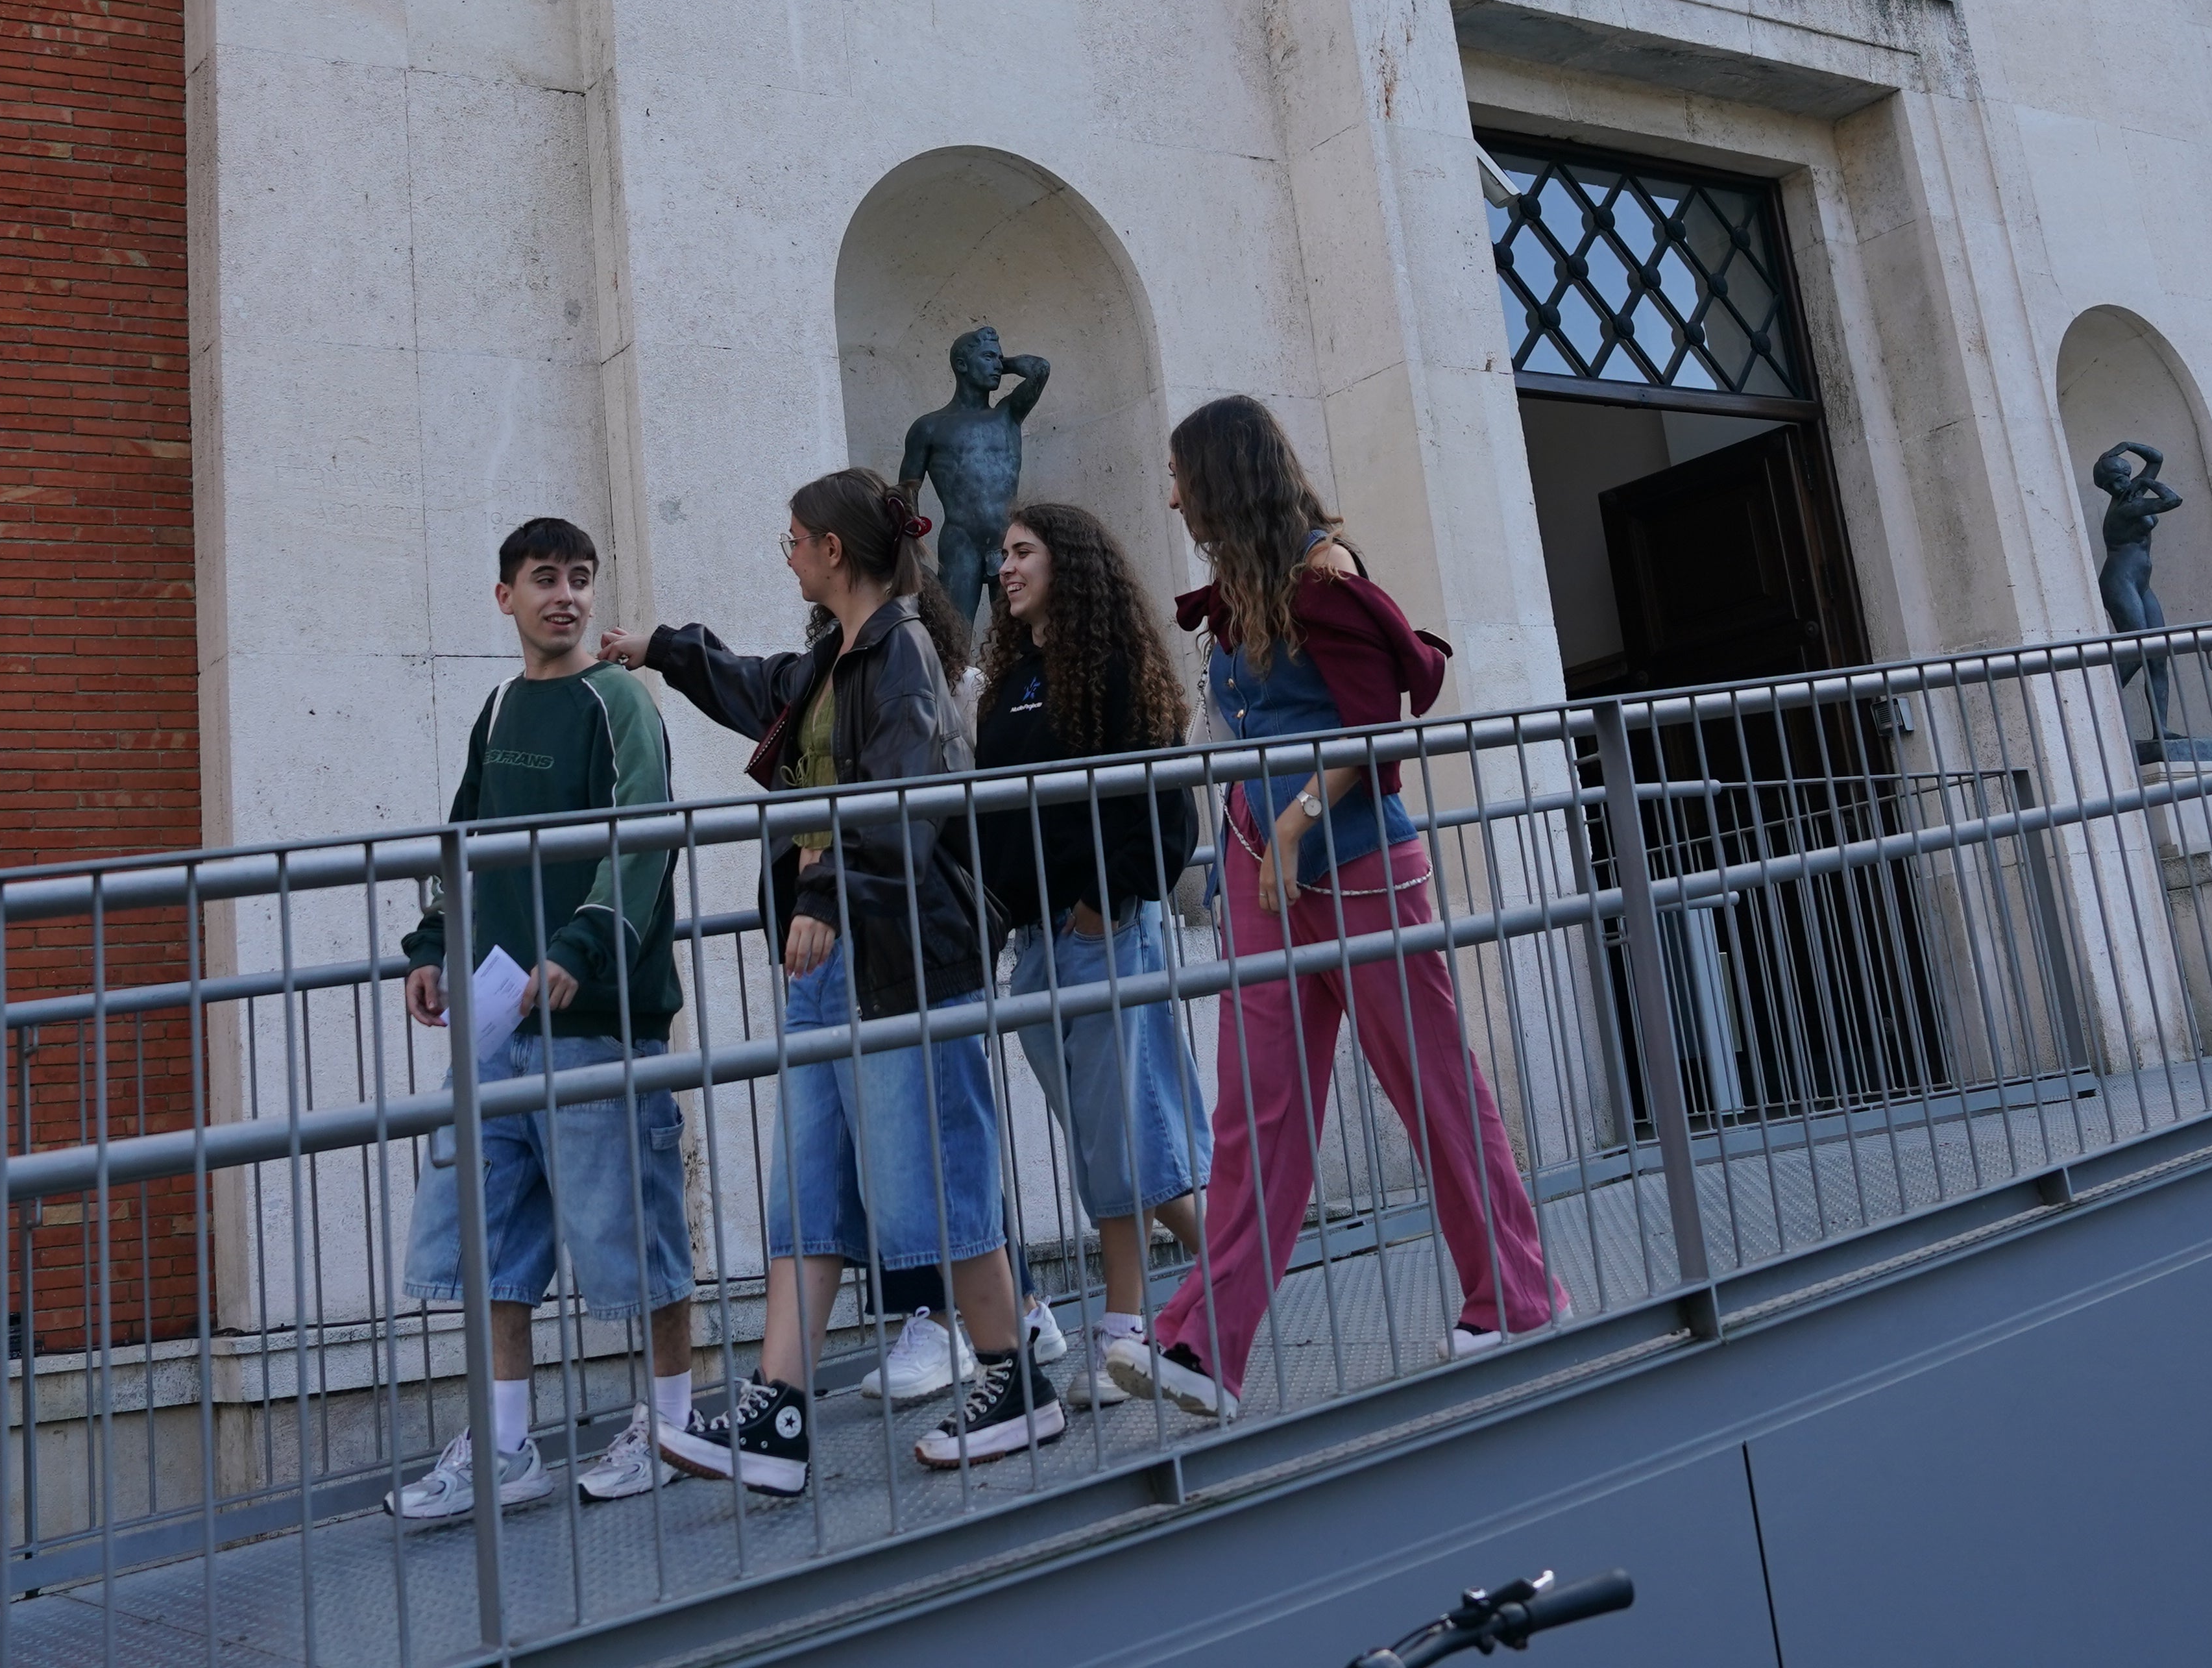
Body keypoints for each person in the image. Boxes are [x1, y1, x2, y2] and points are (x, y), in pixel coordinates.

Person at [602, 468, 1063, 1489]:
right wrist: (662, 652)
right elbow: (758, 686)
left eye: (795, 540)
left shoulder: (901, 657)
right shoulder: (836, 658)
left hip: (895, 956)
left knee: (933, 1176)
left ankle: (1013, 1379)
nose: (791, 554)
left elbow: (906, 796)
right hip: (829, 964)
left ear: (834, 553)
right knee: (806, 1187)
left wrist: (821, 898)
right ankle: (779, 1414)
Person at [1145, 399, 1559, 1419]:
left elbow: (1378, 731)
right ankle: (1203, 1347)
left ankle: (1515, 1298)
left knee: (1433, 1091)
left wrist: (1288, 827)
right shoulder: (1247, 591)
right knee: (1258, 1116)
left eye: (1180, 474)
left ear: (1223, 479)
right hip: (1261, 876)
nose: (1169, 494)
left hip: (1361, 869)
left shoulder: (1327, 576)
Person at [386, 518, 696, 1521]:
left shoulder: (621, 704)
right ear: (504, 596)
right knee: (492, 1249)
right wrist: (433, 949)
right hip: (497, 1027)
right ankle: (508, 1448)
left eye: (580, 579)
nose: (564, 596)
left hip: (600, 1019)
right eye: (543, 579)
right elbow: (464, 844)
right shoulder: (496, 708)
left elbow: (643, 837)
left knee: (634, 1239)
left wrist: (582, 946)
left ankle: (675, 1428)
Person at [969, 501, 1210, 1408]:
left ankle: (1125, 1329)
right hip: (1035, 941)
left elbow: (1154, 800)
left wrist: (1100, 908)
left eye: (1023, 551)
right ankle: (1230, 1262)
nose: (1006, 567)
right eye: (1002, 553)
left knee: (1119, 1133)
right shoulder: (1011, 679)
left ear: (1069, 563)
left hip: (1101, 929)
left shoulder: (1109, 667)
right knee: (1107, 1136)